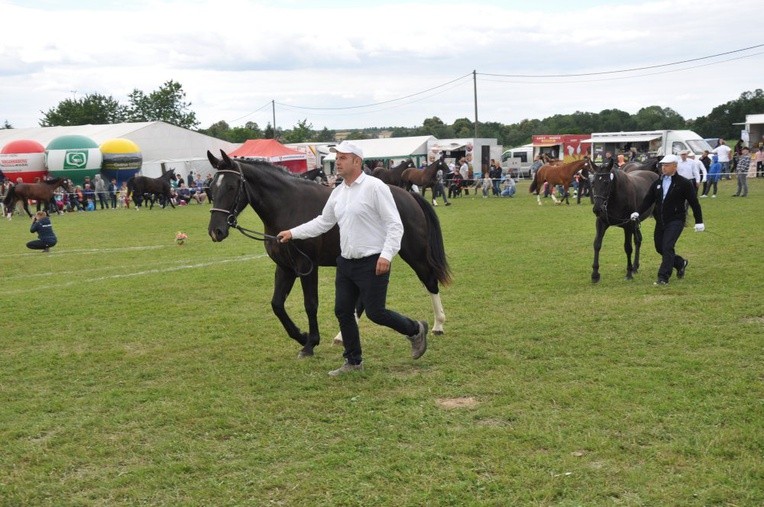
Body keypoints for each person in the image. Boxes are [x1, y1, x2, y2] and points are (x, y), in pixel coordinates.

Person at [276, 141, 428, 376]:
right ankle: (353, 361)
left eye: (342, 158)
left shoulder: (375, 187)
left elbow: (395, 225)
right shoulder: (338, 192)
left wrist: (386, 255)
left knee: (376, 313)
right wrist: (293, 232)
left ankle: (415, 329)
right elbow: (323, 222)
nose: (337, 161)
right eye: (336, 158)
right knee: (343, 311)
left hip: (373, 260)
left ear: (357, 161)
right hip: (346, 261)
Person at [630, 154, 704, 286]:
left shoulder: (684, 183)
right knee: (660, 248)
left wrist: (699, 221)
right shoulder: (657, 183)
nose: (663, 168)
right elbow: (648, 200)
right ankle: (680, 263)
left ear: (675, 167)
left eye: (667, 165)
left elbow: (694, 203)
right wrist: (637, 212)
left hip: (676, 220)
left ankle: (663, 277)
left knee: (667, 246)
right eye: (662, 165)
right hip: (661, 221)